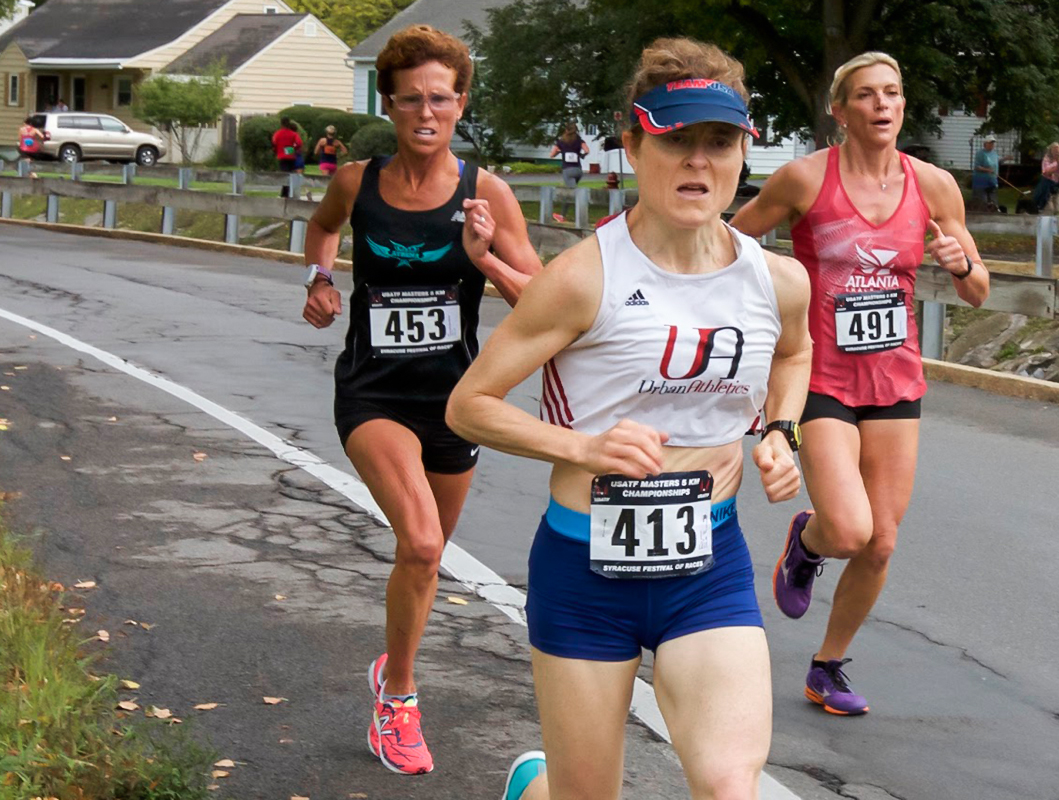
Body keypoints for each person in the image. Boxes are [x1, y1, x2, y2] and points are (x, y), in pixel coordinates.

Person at [446, 37, 813, 800]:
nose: (698, 163)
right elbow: (469, 406)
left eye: (719, 143)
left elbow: (794, 355)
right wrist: (585, 445)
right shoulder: (583, 279)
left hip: (707, 567)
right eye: (676, 141)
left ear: (745, 150)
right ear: (633, 143)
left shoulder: (777, 280)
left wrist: (780, 431)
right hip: (585, 574)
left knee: (729, 788)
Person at [299, 23, 542, 775]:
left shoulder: (487, 192)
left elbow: (542, 299)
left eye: (440, 99)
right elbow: (321, 228)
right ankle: (398, 700)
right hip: (372, 393)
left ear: (460, 104)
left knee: (425, 561)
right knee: (425, 542)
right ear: (390, 104)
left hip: (455, 400)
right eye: (411, 101)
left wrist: (486, 255)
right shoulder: (356, 181)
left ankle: (390, 668)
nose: (425, 114)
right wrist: (317, 278)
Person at [732, 51, 990, 716]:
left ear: (904, 105)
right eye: (868, 95)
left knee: (882, 539)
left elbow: (979, 293)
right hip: (820, 373)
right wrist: (781, 299)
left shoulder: (933, 186)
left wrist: (962, 264)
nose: (883, 105)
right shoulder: (802, 180)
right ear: (839, 110)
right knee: (847, 531)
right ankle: (808, 542)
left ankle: (827, 666)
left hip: (895, 378)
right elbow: (731, 245)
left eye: (894, 94)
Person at [548, 122, 590, 222]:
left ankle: (564, 215)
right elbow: (587, 150)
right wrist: (582, 155)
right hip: (578, 170)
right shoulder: (579, 140)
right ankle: (570, 213)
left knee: (569, 193)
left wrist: (559, 151)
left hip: (568, 170)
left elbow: (552, 155)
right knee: (572, 190)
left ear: (566, 130)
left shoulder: (561, 141)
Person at [1034, 142, 1059, 215]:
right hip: (1046, 186)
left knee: (1057, 210)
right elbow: (1047, 172)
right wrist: (1057, 164)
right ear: (1051, 151)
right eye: (1054, 150)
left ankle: (1053, 223)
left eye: (1058, 150)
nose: (1056, 152)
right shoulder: (1046, 159)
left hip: (1055, 186)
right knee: (1049, 209)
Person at [972, 134, 1000, 212]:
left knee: (993, 200)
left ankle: (994, 213)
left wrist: (1006, 158)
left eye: (993, 143)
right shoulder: (980, 154)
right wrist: (987, 170)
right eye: (990, 143)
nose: (992, 145)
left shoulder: (994, 153)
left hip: (992, 180)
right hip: (981, 180)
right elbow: (977, 167)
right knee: (983, 201)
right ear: (985, 144)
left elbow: (997, 161)